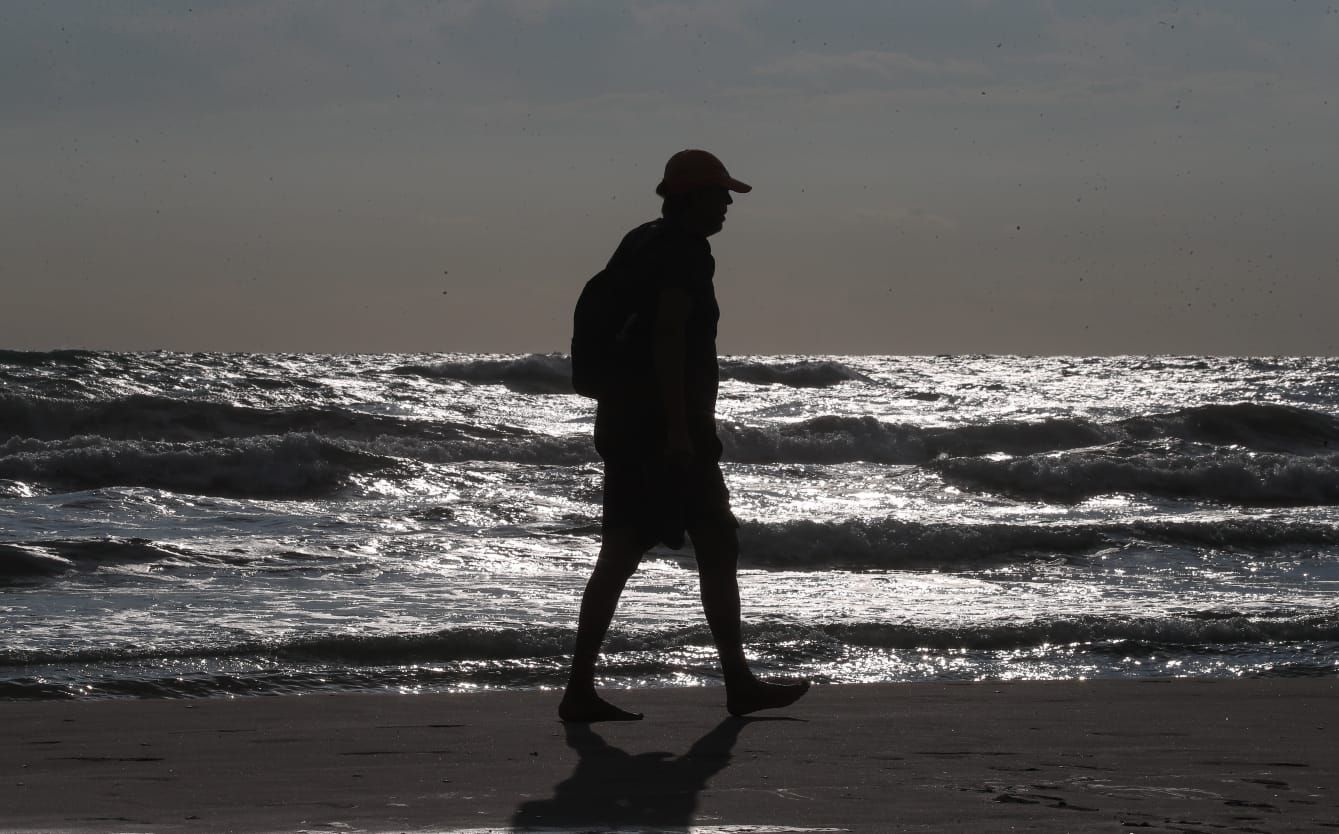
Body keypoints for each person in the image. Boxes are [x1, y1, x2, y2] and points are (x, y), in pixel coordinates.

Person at [560, 149, 811, 722]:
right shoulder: (685, 254)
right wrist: (679, 431)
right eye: (719, 194)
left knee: (622, 549)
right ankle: (738, 683)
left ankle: (579, 689)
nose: (727, 204)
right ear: (689, 197)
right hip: (665, 431)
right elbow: (669, 339)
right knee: (716, 543)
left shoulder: (641, 240)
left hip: (624, 423)